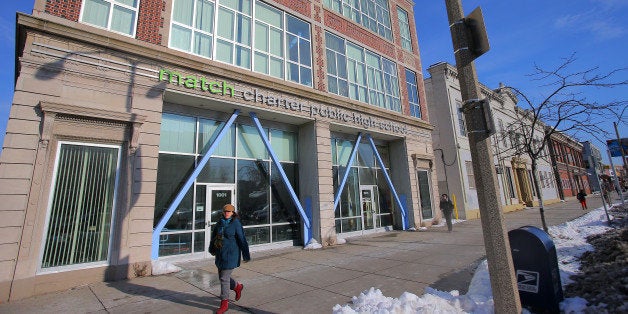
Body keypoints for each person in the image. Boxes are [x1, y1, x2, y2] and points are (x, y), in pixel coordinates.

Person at [210, 204, 250, 314]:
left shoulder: (236, 224)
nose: (227, 213)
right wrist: (212, 249)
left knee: (224, 278)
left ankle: (224, 303)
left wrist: (246, 255)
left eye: (229, 211)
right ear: (223, 212)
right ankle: (237, 287)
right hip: (220, 254)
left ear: (233, 213)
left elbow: (242, 239)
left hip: (231, 255)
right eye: (225, 211)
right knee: (223, 277)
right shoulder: (220, 223)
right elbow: (214, 237)